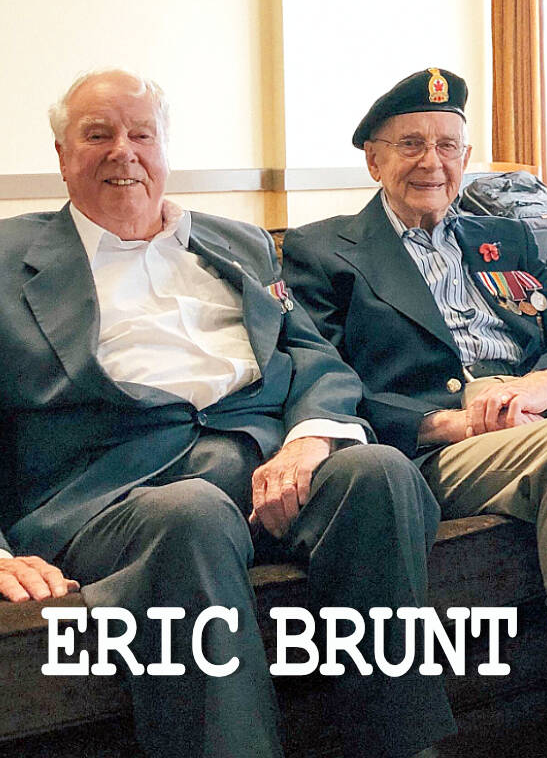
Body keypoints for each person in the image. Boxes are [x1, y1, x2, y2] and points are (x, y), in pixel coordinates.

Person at [0, 69, 454, 758]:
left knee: (378, 471)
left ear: (165, 152)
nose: (124, 151)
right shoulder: (8, 260)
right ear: (63, 155)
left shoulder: (236, 243)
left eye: (142, 134)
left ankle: (400, 745)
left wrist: (308, 441)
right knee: (190, 511)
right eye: (98, 135)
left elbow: (316, 358)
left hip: (270, 468)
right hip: (118, 495)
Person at [282, 68, 547, 755]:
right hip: (441, 442)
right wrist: (448, 419)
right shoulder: (323, 251)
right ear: (374, 159)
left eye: (449, 145)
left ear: (467, 158)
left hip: (535, 414)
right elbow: (320, 374)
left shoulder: (499, 237)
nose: (432, 161)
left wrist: (544, 380)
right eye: (411, 143)